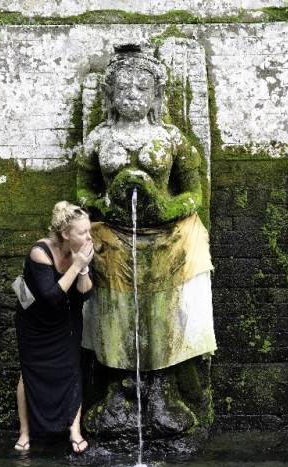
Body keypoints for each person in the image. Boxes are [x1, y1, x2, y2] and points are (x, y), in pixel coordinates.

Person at [76, 43, 216, 436]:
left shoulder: (171, 138)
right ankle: (119, 388)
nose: (132, 96)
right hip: (114, 242)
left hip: (166, 241)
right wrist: (103, 202)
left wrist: (165, 209)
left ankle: (162, 387)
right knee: (115, 313)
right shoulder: (97, 140)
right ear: (109, 95)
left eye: (141, 89)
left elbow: (194, 194)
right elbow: (83, 192)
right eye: (123, 89)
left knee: (165, 312)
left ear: (156, 95)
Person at [14, 201, 94, 452]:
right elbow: (49, 297)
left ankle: (75, 430)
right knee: (29, 372)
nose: (89, 236)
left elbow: (84, 295)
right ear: (65, 234)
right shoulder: (41, 251)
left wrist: (82, 270)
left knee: (71, 368)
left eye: (88, 230)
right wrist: (77, 266)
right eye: (82, 232)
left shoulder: (83, 251)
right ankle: (25, 433)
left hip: (66, 320)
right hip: (35, 322)